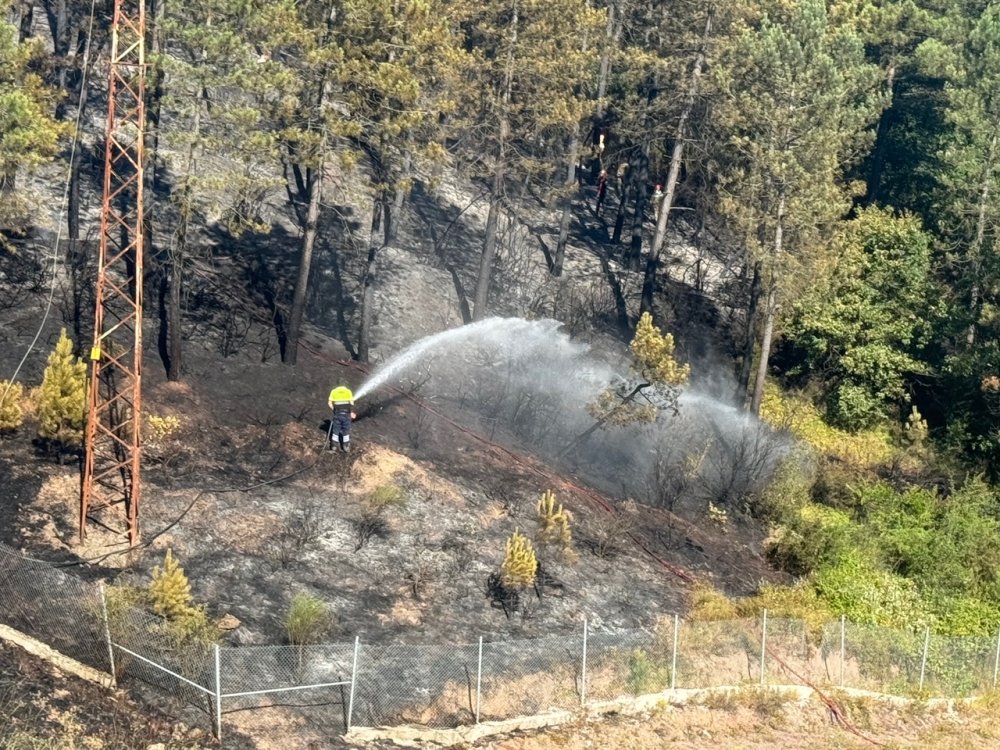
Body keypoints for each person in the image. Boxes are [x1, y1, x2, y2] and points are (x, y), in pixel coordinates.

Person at [327, 385, 356, 452]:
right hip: (346, 414)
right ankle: (346, 446)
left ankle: (334, 446)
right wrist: (350, 412)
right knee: (346, 430)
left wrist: (334, 409)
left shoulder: (334, 391)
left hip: (337, 414)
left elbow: (329, 403)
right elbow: (351, 403)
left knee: (336, 430)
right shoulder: (348, 391)